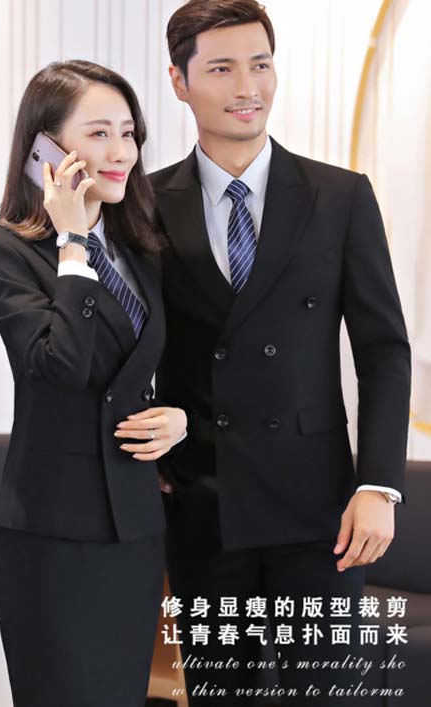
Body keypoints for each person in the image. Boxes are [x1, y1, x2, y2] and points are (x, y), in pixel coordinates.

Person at [149, 1, 411, 704]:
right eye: (222, 68)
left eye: (260, 64)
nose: (248, 87)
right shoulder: (145, 203)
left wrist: (378, 484)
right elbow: (123, 344)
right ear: (179, 80)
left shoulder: (340, 196)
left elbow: (384, 350)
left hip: (321, 510)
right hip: (202, 505)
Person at [0, 60, 187, 707]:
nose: (122, 152)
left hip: (134, 529)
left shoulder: (141, 249)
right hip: (51, 533)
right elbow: (61, 367)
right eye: (99, 133)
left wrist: (177, 420)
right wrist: (71, 239)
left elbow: (148, 370)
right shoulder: (1, 253)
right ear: (45, 148)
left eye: (129, 133)